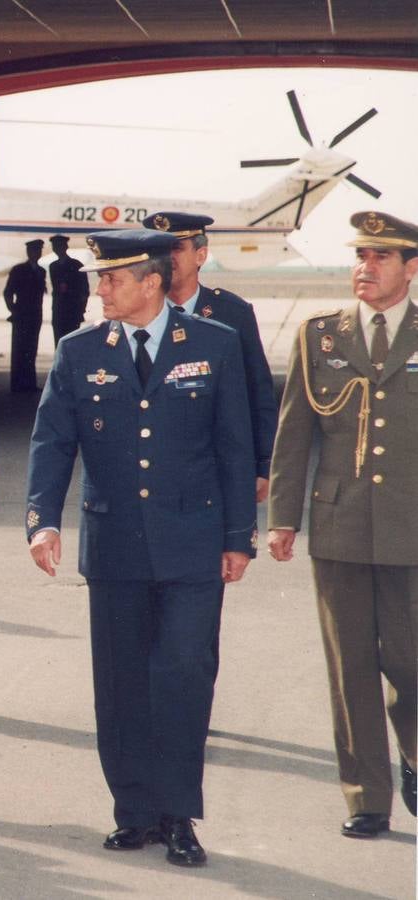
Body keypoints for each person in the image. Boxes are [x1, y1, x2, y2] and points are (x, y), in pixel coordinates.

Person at [25, 229, 256, 868]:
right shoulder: (78, 352)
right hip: (116, 543)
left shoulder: (215, 345)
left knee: (183, 674)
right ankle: (134, 811)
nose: (99, 289)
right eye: (101, 278)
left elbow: (236, 447)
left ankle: (179, 814)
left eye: (112, 278)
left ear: (150, 282)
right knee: (122, 681)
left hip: (194, 544)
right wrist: (42, 520)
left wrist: (240, 537)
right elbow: (50, 443)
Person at [267, 210, 418, 839]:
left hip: (413, 529)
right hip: (339, 525)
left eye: (381, 258)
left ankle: (413, 754)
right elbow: (293, 434)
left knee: (410, 663)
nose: (366, 267)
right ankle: (366, 798)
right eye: (361, 256)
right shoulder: (318, 336)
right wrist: (282, 518)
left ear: (411, 268)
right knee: (350, 664)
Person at [143, 211, 277, 503]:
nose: (167, 258)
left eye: (177, 248)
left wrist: (264, 466)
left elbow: (259, 394)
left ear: (201, 254)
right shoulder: (137, 315)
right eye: (159, 249)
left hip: (213, 474)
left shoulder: (232, 314)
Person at [4, 238, 46, 392]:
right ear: (29, 252)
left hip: (35, 316)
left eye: (39, 250)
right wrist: (13, 310)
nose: (37, 253)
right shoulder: (18, 270)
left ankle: (30, 383)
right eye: (34, 250)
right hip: (21, 316)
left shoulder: (42, 271)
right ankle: (17, 384)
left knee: (31, 349)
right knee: (19, 350)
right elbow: (8, 292)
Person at [49, 234, 89, 344]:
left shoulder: (76, 265)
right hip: (58, 311)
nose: (57, 249)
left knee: (72, 343)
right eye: (55, 246)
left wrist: (81, 309)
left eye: (60, 246)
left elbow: (84, 290)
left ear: (66, 247)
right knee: (59, 342)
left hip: (73, 311)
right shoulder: (53, 266)